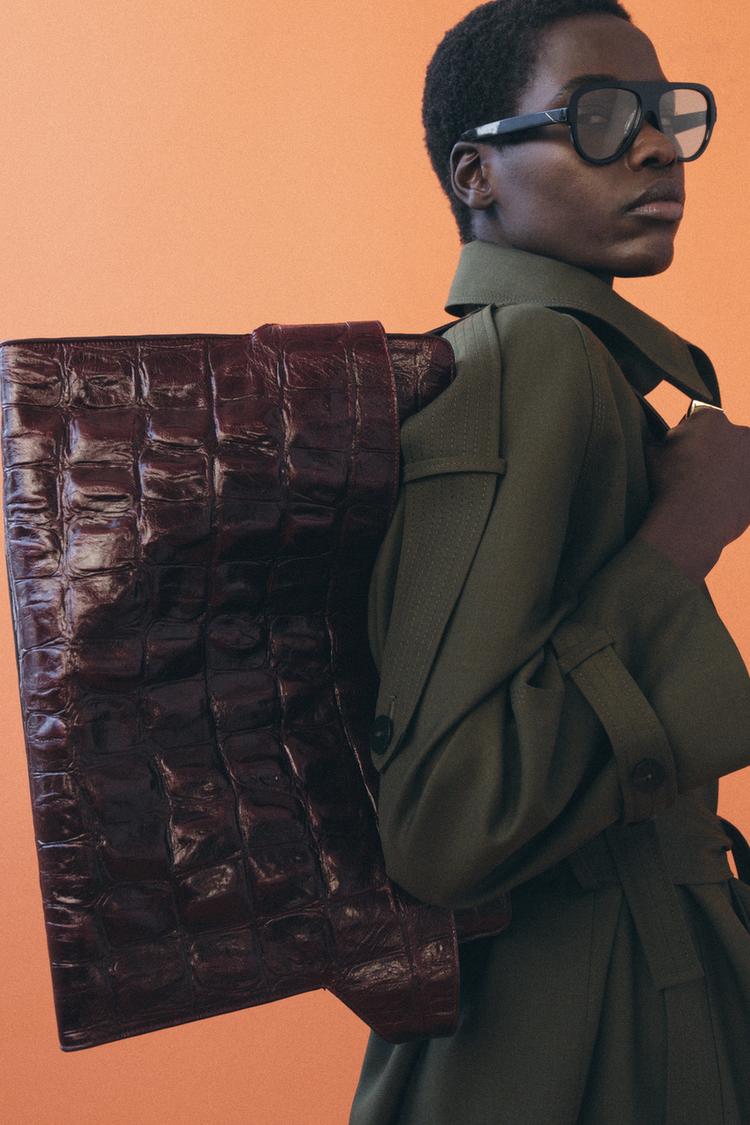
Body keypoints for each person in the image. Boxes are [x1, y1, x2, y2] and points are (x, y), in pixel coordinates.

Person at [348, 2, 750, 1123]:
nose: (656, 145)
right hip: (572, 1037)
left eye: (665, 113)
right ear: (476, 173)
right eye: (599, 115)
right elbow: (443, 822)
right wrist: (686, 534)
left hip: (618, 999)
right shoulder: (532, 358)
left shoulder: (582, 365)